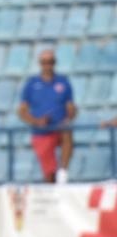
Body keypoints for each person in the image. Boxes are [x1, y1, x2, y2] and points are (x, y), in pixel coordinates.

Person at [18, 48, 76, 184]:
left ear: (54, 63)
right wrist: (37, 121)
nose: (47, 65)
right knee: (49, 175)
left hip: (58, 127)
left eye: (50, 62)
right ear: (40, 64)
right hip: (41, 132)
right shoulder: (31, 84)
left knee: (67, 133)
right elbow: (22, 111)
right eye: (44, 62)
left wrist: (67, 119)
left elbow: (71, 108)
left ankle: (63, 171)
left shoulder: (63, 82)